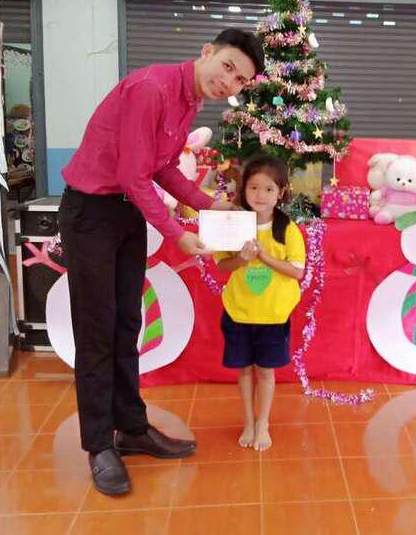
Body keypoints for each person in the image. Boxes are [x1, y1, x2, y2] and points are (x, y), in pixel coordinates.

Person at [57, 29, 265, 495]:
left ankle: (132, 428)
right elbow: (134, 174)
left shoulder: (189, 100)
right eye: (228, 67)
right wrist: (177, 234)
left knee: (128, 323)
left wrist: (209, 205)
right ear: (207, 52)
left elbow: (163, 168)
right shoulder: (152, 88)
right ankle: (99, 444)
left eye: (240, 80)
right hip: (91, 213)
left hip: (127, 211)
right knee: (97, 331)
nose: (229, 82)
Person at [214, 154, 306, 452]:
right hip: (239, 312)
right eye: (253, 187)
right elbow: (222, 265)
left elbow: (297, 271)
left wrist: (264, 256)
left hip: (273, 315)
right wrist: (241, 260)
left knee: (265, 371)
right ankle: (248, 421)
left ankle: (263, 422)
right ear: (243, 189)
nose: (260, 195)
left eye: (269, 189)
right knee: (243, 370)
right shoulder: (233, 225)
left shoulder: (287, 229)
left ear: (281, 192)